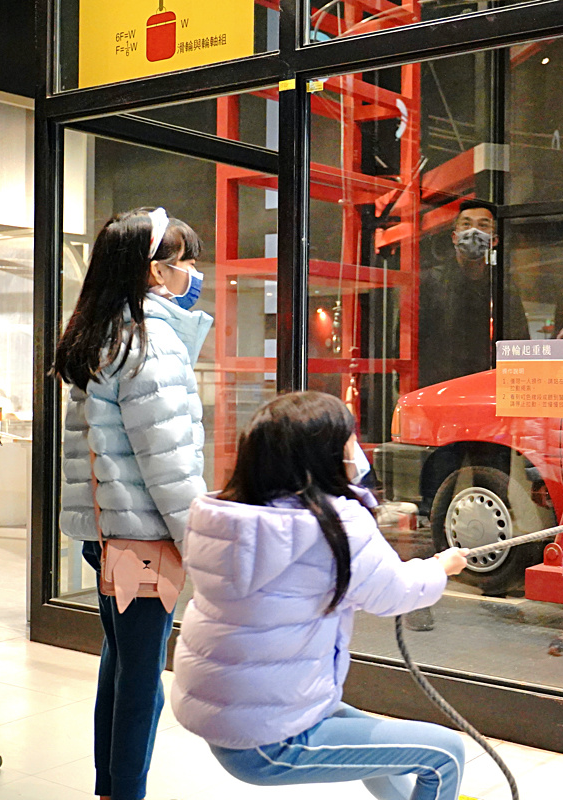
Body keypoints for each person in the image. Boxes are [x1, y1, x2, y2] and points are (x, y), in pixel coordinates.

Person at [170, 391, 470, 800]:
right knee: (445, 753)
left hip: (233, 719)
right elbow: (395, 592)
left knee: (380, 749)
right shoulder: (332, 526)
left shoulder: (227, 517)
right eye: (349, 442)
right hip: (271, 741)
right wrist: (442, 567)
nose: (357, 452)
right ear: (324, 455)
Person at [55, 207, 211, 800]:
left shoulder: (104, 330)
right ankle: (126, 792)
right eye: (184, 262)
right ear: (153, 272)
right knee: (142, 676)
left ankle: (109, 786)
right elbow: (166, 460)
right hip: (142, 536)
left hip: (108, 533)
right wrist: (197, 542)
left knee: (121, 662)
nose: (193, 273)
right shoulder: (150, 340)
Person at [418, 199, 530, 387]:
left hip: (488, 386)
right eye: (467, 224)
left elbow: (519, 341)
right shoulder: (430, 282)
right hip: (439, 388)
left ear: (494, 240)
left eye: (483, 225)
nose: (473, 231)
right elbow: (412, 342)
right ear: (454, 237)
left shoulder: (503, 288)